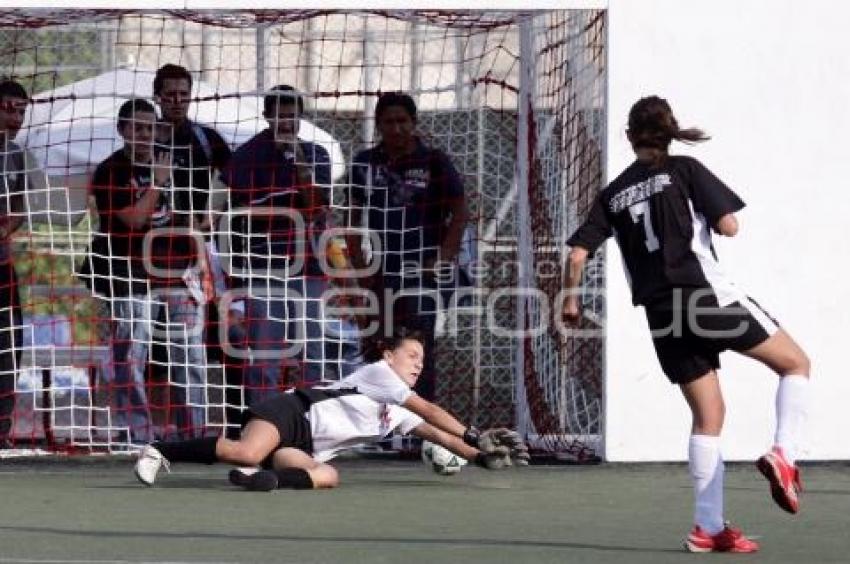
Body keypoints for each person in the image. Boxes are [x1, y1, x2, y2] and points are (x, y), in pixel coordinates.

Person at [563, 95, 811, 553]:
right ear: (670, 130)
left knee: (708, 415)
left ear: (628, 137)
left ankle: (708, 527)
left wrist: (571, 301)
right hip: (703, 295)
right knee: (796, 364)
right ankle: (784, 454)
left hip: (661, 313)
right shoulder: (685, 171)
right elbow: (731, 226)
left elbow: (578, 253)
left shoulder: (613, 192)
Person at [133, 327, 529, 490]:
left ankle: (260, 480)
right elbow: (429, 409)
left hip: (303, 443)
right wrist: (474, 434)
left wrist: (479, 457)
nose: (418, 363)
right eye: (411, 354)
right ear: (387, 355)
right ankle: (160, 449)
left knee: (328, 474)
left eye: (422, 359)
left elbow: (437, 433)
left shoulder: (398, 411)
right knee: (247, 449)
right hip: (292, 412)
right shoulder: (378, 374)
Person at [83, 98, 207, 443]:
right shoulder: (111, 171)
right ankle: (139, 435)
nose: (144, 135)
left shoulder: (173, 163)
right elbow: (134, 219)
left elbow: (188, 217)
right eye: (137, 128)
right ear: (122, 130)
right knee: (131, 357)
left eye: (150, 128)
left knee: (190, 356)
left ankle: (193, 435)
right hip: (131, 276)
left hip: (176, 272)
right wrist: (157, 183)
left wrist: (198, 260)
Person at [346, 92, 469, 400]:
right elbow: (350, 219)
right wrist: (360, 268)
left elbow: (461, 212)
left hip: (421, 271)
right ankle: (380, 423)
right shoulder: (364, 163)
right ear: (378, 125)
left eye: (402, 121)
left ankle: (420, 429)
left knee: (415, 348)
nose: (396, 128)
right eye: (389, 122)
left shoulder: (434, 162)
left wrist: (444, 257)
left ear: (414, 123)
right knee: (379, 345)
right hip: (381, 270)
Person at [222, 85, 335, 403]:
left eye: (293, 116)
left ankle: (314, 421)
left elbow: (316, 207)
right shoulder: (246, 157)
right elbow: (244, 211)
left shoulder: (315, 154)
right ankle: (263, 422)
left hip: (307, 266)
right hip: (263, 267)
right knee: (264, 352)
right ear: (267, 117)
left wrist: (298, 162)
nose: (287, 123)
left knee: (313, 348)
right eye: (280, 116)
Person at [0, 80, 29, 448]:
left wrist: (9, 223)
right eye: (9, 108)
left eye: (21, 111)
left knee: (8, 345)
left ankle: (1, 432)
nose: (16, 117)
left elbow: (20, 206)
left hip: (3, 262)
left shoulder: (16, 154)